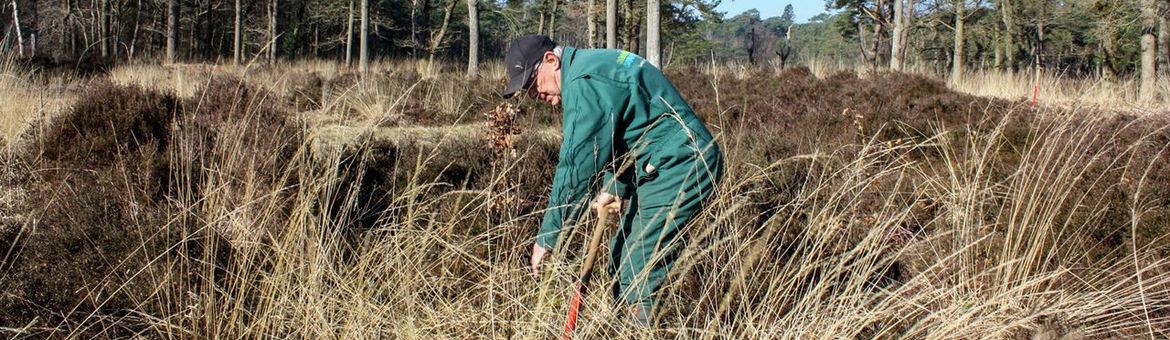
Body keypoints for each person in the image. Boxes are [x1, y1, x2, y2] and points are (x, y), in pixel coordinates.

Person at [501, 35, 723, 325]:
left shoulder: (584, 81)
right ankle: (628, 325)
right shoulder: (592, 66)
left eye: (532, 83)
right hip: (660, 164)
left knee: (638, 266)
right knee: (620, 256)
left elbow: (578, 164)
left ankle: (639, 331)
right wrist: (614, 186)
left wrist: (548, 238)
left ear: (551, 61)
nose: (534, 94)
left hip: (681, 164)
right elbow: (627, 126)